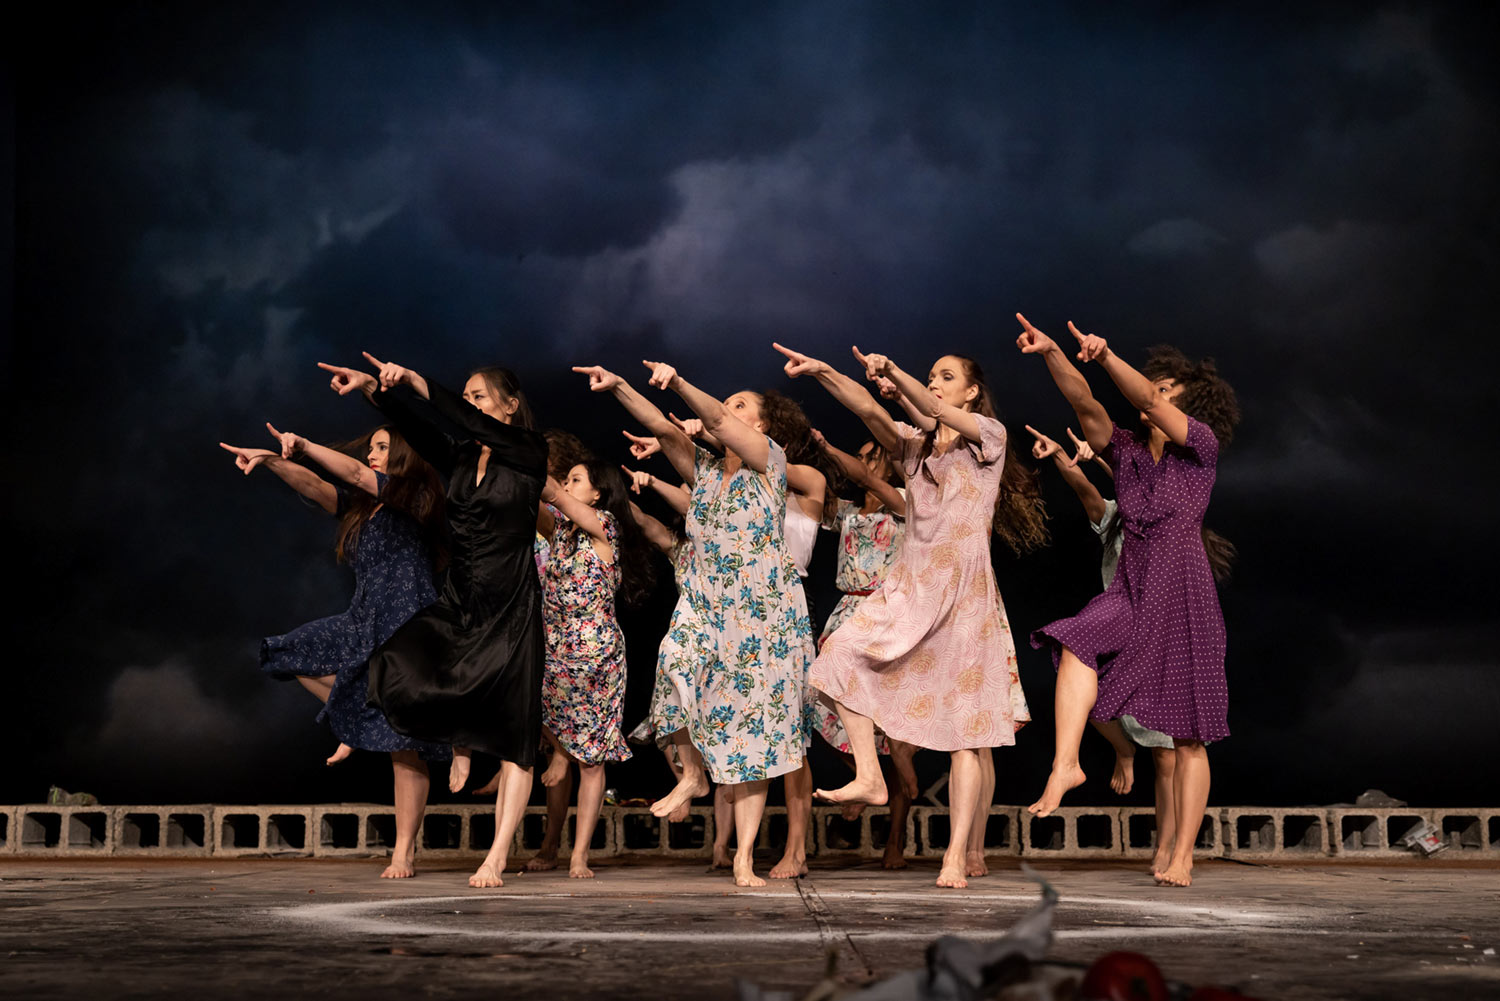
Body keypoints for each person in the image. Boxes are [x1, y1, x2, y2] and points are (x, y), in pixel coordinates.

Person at [774, 343, 1048, 889]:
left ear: (971, 391)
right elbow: (868, 409)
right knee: (837, 658)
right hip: (910, 586)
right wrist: (825, 371)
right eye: (932, 376)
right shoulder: (913, 446)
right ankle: (870, 776)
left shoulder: (989, 437)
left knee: (966, 736)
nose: (937, 383)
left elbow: (935, 409)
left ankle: (956, 856)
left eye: (946, 376)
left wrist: (897, 375)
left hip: (965, 595)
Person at [1015, 314, 1239, 888]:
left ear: (1192, 403)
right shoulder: (1127, 452)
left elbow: (1143, 397)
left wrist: (1108, 355)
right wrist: (1053, 353)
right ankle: (1067, 764)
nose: (1154, 392)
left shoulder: (1201, 449)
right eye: (1154, 384)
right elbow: (1085, 403)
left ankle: (1182, 855)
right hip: (1134, 585)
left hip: (1183, 591)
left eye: (1167, 388)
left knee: (1189, 739)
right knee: (1074, 638)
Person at [573, 360, 812, 887]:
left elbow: (718, 422)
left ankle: (744, 857)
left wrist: (680, 383)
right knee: (673, 664)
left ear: (763, 425)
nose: (727, 410)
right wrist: (619, 387)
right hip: (706, 601)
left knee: (752, 737)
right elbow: (662, 427)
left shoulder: (770, 460)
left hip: (760, 613)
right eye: (727, 402)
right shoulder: (705, 470)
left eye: (740, 405)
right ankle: (694, 775)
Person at [318, 354, 548, 889]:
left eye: (479, 396)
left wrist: (418, 381)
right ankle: (457, 739)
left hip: (511, 601)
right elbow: (420, 430)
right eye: (465, 397)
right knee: (395, 660)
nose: (469, 406)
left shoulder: (528, 450)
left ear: (510, 406)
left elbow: (461, 419)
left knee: (516, 733)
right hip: (461, 595)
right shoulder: (463, 457)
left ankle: (496, 856)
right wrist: (374, 390)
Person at [219, 423, 448, 879]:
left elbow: (358, 475)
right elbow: (316, 486)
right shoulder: (364, 508)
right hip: (363, 617)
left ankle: (403, 851)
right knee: (291, 652)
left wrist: (305, 445)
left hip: (408, 626)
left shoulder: (417, 497)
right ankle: (354, 714)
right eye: (371, 447)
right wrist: (272, 460)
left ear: (406, 455)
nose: (372, 454)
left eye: (382, 447)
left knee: (404, 747)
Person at [1026, 423, 1178, 875]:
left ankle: (1167, 845)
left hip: (1161, 632)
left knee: (1167, 754)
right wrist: (1062, 458)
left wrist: (1106, 460)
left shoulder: (1173, 520)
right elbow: (1086, 491)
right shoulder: (1115, 519)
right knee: (1085, 695)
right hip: (1118, 625)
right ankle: (1118, 752)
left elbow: (1144, 482)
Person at [533, 459, 654, 878]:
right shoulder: (559, 531)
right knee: (529, 712)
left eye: (576, 480)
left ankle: (579, 854)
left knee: (593, 760)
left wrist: (529, 462)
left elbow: (552, 493)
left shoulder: (605, 525)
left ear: (598, 492)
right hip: (554, 649)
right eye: (566, 479)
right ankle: (561, 751)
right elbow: (534, 500)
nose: (567, 485)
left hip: (595, 655)